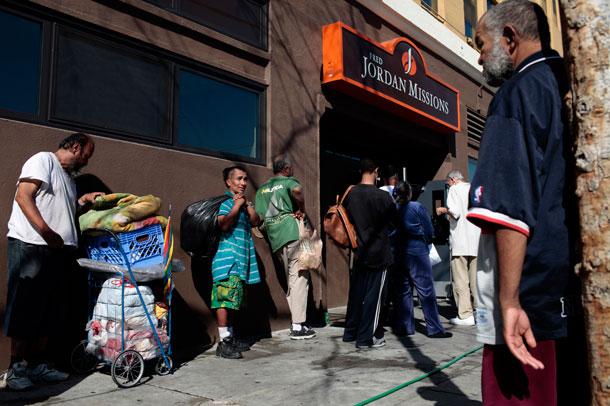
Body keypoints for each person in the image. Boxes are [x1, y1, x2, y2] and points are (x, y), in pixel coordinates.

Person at [466, 1, 574, 404]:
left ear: (509, 38)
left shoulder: (517, 94)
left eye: (480, 43)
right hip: (560, 288)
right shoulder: (560, 81)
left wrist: (510, 301)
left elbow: (508, 210)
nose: (478, 57)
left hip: (528, 298)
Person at [2, 133, 104, 391]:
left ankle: (38, 365)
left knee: (50, 309)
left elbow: (62, 210)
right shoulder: (43, 160)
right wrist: (46, 231)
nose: (86, 163)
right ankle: (15, 369)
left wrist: (83, 200)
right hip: (32, 245)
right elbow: (23, 196)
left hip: (59, 252)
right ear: (76, 147)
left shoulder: (69, 179)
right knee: (25, 305)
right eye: (86, 156)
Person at [255, 155, 315, 340]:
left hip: (276, 238)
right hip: (294, 232)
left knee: (292, 278)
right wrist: (301, 208)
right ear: (287, 169)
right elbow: (297, 190)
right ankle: (297, 326)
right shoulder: (289, 181)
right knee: (300, 276)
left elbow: (259, 219)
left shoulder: (262, 190)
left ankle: (298, 321)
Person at [342, 158, 396, 348]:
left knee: (356, 294)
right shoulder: (383, 197)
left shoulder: (350, 194)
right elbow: (394, 223)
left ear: (360, 171)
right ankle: (368, 337)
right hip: (379, 252)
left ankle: (350, 333)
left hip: (358, 251)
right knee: (375, 296)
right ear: (376, 171)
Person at [212, 166, 262, 359]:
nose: (243, 183)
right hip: (227, 260)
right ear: (228, 182)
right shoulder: (225, 202)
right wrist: (235, 205)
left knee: (233, 301)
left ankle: (230, 338)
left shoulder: (243, 203)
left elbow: (256, 221)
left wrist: (246, 205)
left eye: (245, 179)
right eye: (239, 179)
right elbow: (223, 224)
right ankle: (223, 343)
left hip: (239, 262)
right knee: (224, 299)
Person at [392, 181, 453, 339]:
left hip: (398, 253)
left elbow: (389, 232)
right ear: (410, 194)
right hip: (418, 253)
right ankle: (434, 328)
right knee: (426, 291)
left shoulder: (391, 209)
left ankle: (405, 327)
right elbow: (428, 230)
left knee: (403, 292)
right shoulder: (417, 207)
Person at [436, 170, 480, 326]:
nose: (448, 186)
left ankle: (465, 314)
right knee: (475, 280)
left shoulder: (454, 189)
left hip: (461, 241)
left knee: (461, 280)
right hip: (476, 241)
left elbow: (455, 212)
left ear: (453, 180)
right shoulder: (474, 188)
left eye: (448, 183)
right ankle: (479, 312)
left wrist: (443, 210)